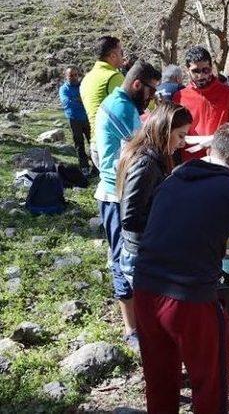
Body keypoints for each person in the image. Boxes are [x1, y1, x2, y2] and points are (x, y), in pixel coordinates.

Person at [133, 124, 229, 414]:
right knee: (209, 381)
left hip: (144, 288)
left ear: (210, 150)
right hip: (190, 297)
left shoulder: (174, 177)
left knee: (160, 378)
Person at [94, 60, 161, 350]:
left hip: (119, 190)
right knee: (125, 260)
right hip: (117, 196)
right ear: (137, 85)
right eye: (150, 91)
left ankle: (139, 324)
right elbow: (144, 149)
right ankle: (134, 329)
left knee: (128, 258)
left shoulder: (122, 104)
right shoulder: (121, 107)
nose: (151, 98)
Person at [116, 102, 192, 287]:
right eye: (180, 135)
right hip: (141, 255)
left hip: (147, 250)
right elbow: (130, 218)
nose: (182, 143)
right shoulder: (145, 164)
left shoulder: (155, 156)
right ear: (165, 130)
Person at [173, 46, 229, 161]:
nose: (201, 75)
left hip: (220, 161)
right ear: (187, 70)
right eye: (195, 71)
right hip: (189, 162)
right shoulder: (180, 96)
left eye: (205, 70)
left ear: (211, 68)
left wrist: (215, 139)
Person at [80, 36, 125, 165]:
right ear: (112, 56)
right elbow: (129, 108)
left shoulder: (86, 79)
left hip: (95, 144)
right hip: (113, 145)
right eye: (121, 52)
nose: (123, 56)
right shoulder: (113, 77)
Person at [59, 66, 91, 172]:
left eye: (75, 75)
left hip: (87, 118)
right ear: (66, 76)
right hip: (74, 119)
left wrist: (77, 100)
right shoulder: (64, 89)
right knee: (79, 144)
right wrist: (80, 100)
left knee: (93, 142)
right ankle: (84, 166)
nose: (74, 77)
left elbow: (89, 99)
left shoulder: (84, 86)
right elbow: (67, 103)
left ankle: (97, 166)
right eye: (71, 75)